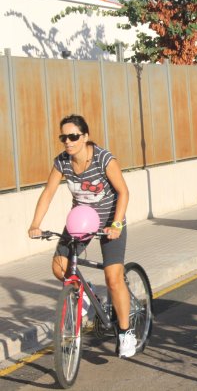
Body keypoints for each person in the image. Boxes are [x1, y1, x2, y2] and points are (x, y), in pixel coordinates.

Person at [27, 114, 136, 358]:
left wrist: (117, 224)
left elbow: (123, 192)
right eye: (63, 137)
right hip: (80, 220)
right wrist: (35, 224)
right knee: (59, 267)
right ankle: (87, 297)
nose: (68, 141)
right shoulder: (62, 162)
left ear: (85, 137)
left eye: (73, 136)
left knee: (113, 277)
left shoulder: (103, 158)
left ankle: (126, 333)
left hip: (110, 220)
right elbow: (48, 193)